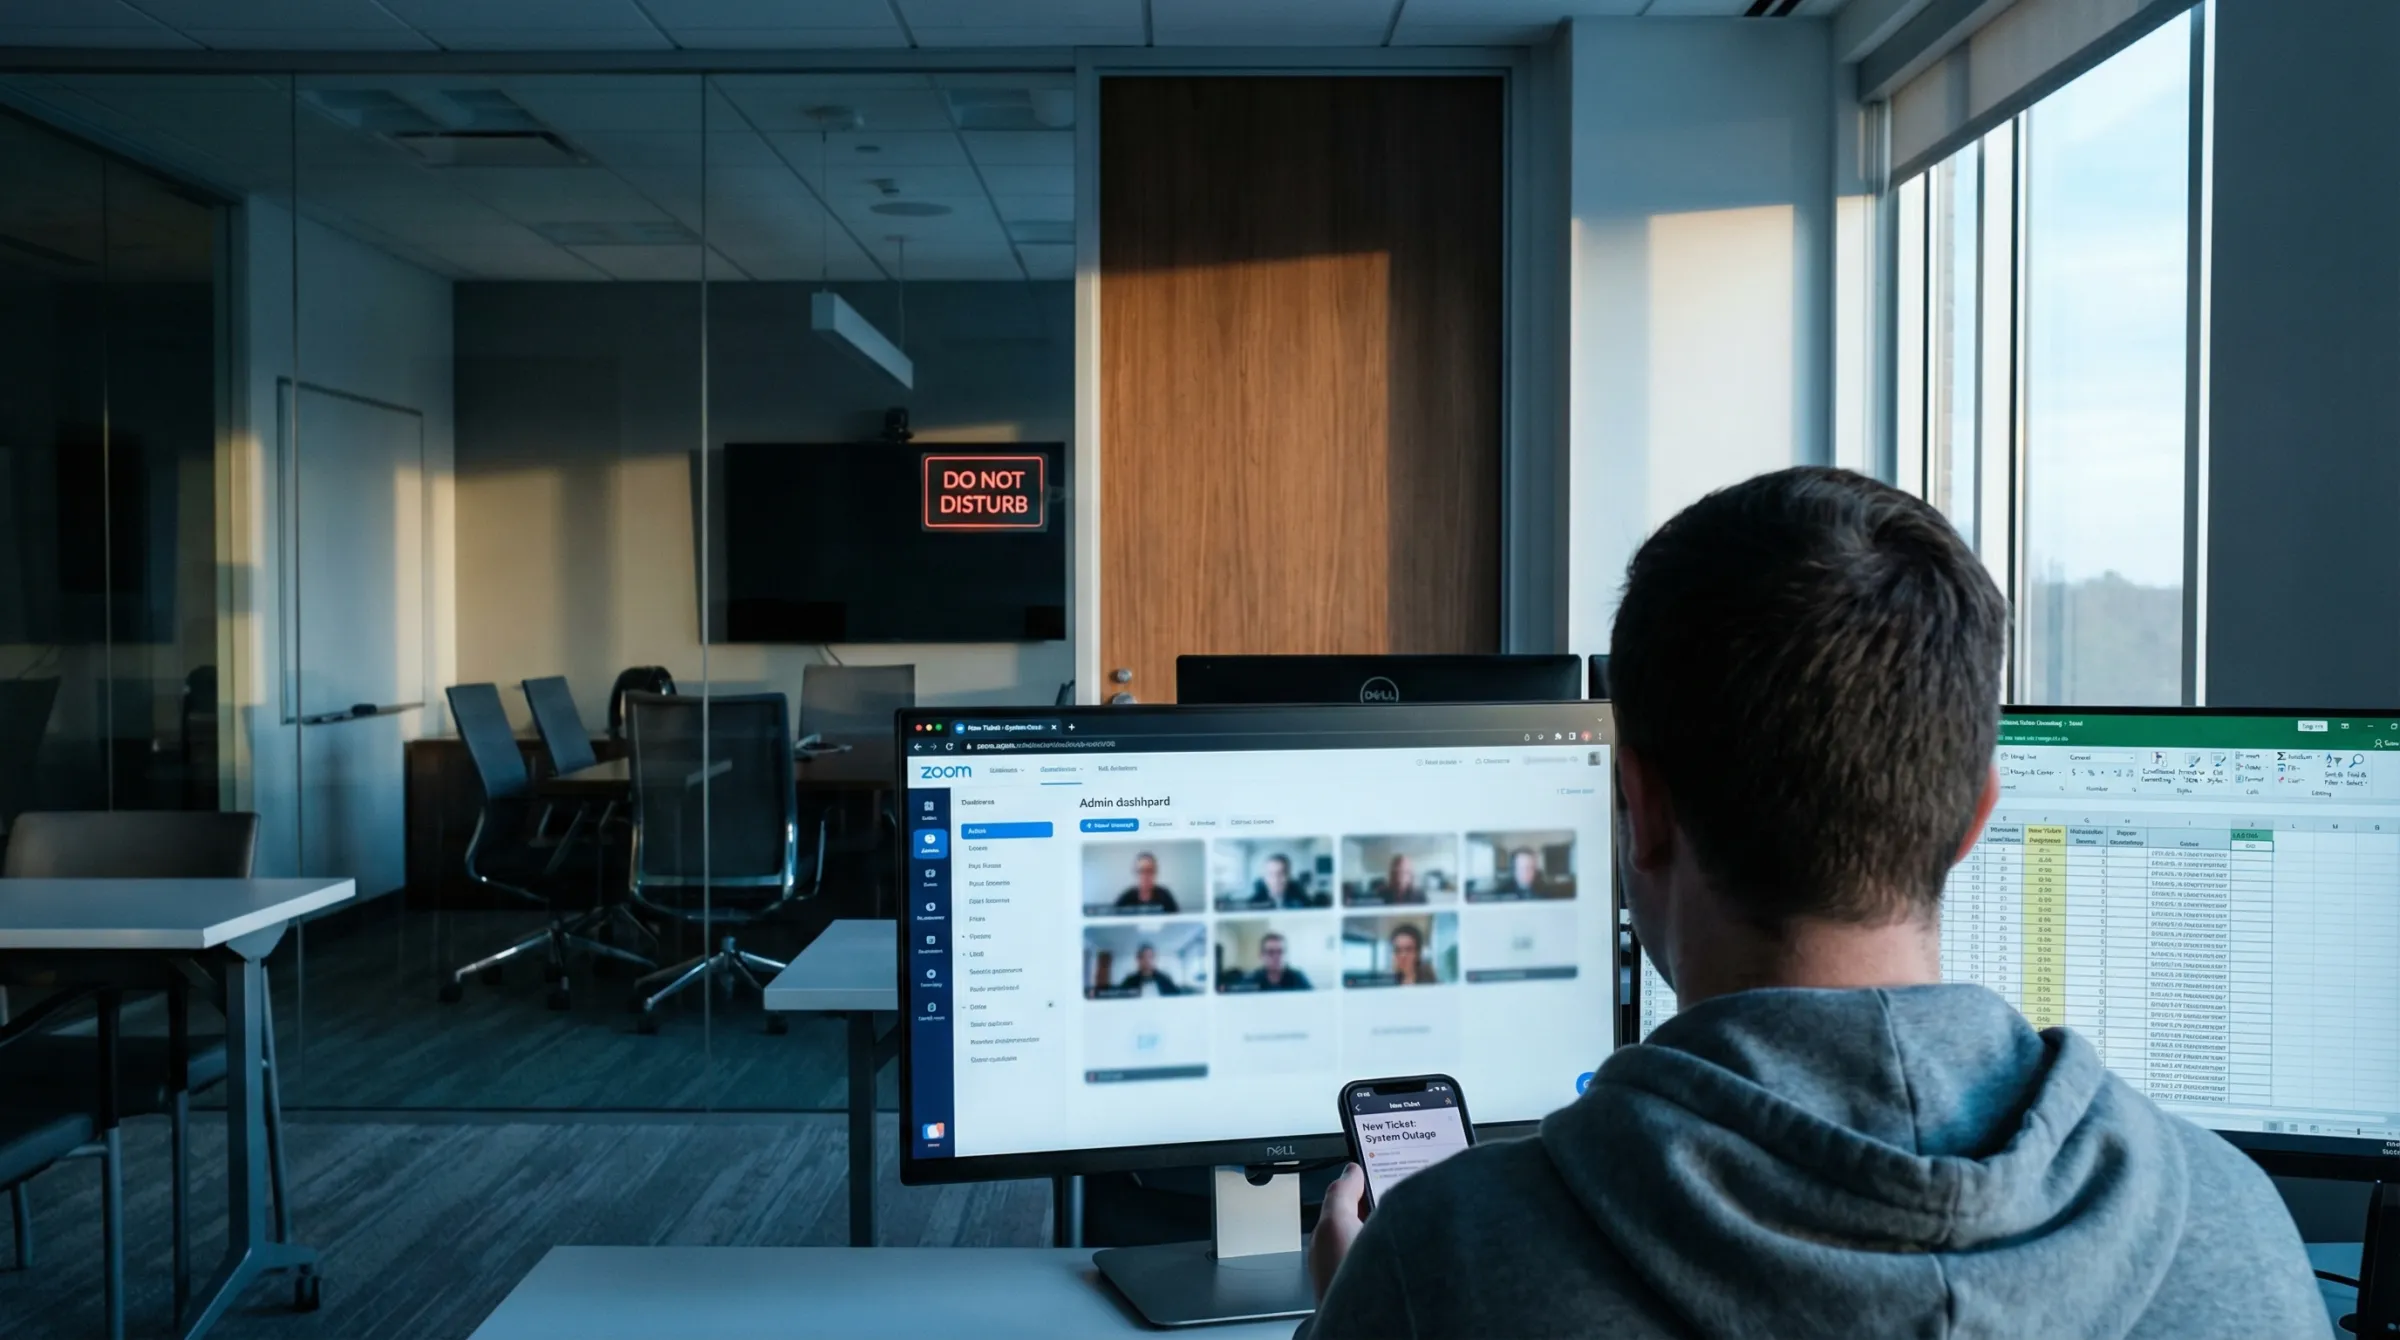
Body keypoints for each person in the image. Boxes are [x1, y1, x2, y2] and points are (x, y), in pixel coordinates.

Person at [1302, 468, 2322, 1338]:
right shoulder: (2241, 1233)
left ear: (1639, 810)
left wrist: (1357, 1302)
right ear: (1975, 816)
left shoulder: (1447, 1261)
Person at [1111, 851, 1179, 913]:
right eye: (1141, 871)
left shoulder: (1165, 895)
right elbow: (1113, 919)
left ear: (1155, 873)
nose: (1145, 876)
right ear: (1135, 872)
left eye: (1149, 871)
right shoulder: (1127, 897)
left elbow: (1175, 921)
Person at [1244, 932, 1312, 991]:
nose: (1276, 957)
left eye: (1280, 952)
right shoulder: (1252, 980)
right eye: (1271, 952)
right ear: (1261, 955)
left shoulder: (1297, 978)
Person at [1114, 943, 1182, 996]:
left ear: (1154, 959)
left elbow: (1176, 998)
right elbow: (1121, 999)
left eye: (1150, 957)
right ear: (1138, 960)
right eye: (1143, 957)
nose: (1147, 961)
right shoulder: (1129, 980)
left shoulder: (1165, 978)